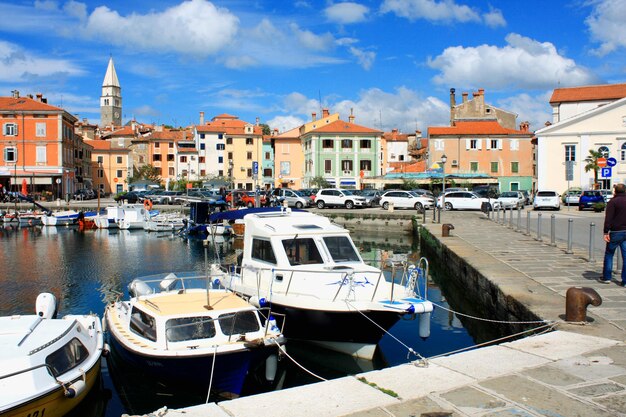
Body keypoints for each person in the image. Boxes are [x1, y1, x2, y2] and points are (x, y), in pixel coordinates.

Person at [601, 183, 626, 285]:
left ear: (615, 191)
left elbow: (609, 218)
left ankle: (607, 277)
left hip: (616, 231)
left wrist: (606, 231)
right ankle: (625, 280)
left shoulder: (613, 202)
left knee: (609, 254)